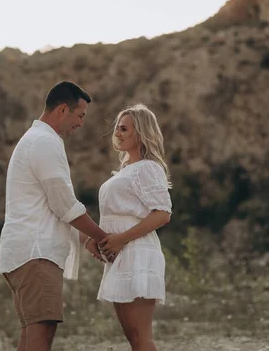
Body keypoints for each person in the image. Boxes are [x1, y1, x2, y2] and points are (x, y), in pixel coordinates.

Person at [0, 80, 111, 351]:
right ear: (62, 110)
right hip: (36, 254)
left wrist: (85, 238)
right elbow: (64, 205)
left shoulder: (35, 140)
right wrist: (103, 237)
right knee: (40, 336)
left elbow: (57, 205)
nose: (81, 124)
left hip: (25, 253)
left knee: (31, 336)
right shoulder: (45, 142)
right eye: (80, 115)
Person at [97, 104, 173, 351]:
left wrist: (121, 239)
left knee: (141, 338)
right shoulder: (126, 171)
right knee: (133, 338)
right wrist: (98, 240)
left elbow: (162, 213)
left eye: (124, 129)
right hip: (120, 255)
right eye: (117, 128)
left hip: (138, 252)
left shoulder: (148, 168)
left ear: (140, 134)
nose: (117, 133)